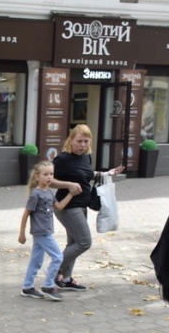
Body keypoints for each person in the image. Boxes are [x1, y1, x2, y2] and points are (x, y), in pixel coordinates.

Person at [50, 124, 124, 291]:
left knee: (74, 243)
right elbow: (47, 180)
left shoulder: (86, 157)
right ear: (71, 140)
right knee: (84, 242)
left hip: (82, 205)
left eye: (86, 141)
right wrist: (68, 184)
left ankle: (66, 279)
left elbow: (87, 175)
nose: (82, 145)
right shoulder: (62, 159)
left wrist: (107, 173)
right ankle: (54, 269)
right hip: (67, 206)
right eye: (79, 141)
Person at [18, 161, 77, 301]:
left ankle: (27, 287)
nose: (49, 177)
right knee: (58, 257)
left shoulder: (49, 193)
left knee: (36, 261)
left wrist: (71, 194)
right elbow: (26, 213)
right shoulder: (35, 194)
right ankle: (49, 285)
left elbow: (60, 207)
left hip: (46, 232)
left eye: (51, 174)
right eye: (46, 174)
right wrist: (22, 233)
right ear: (37, 177)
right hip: (41, 232)